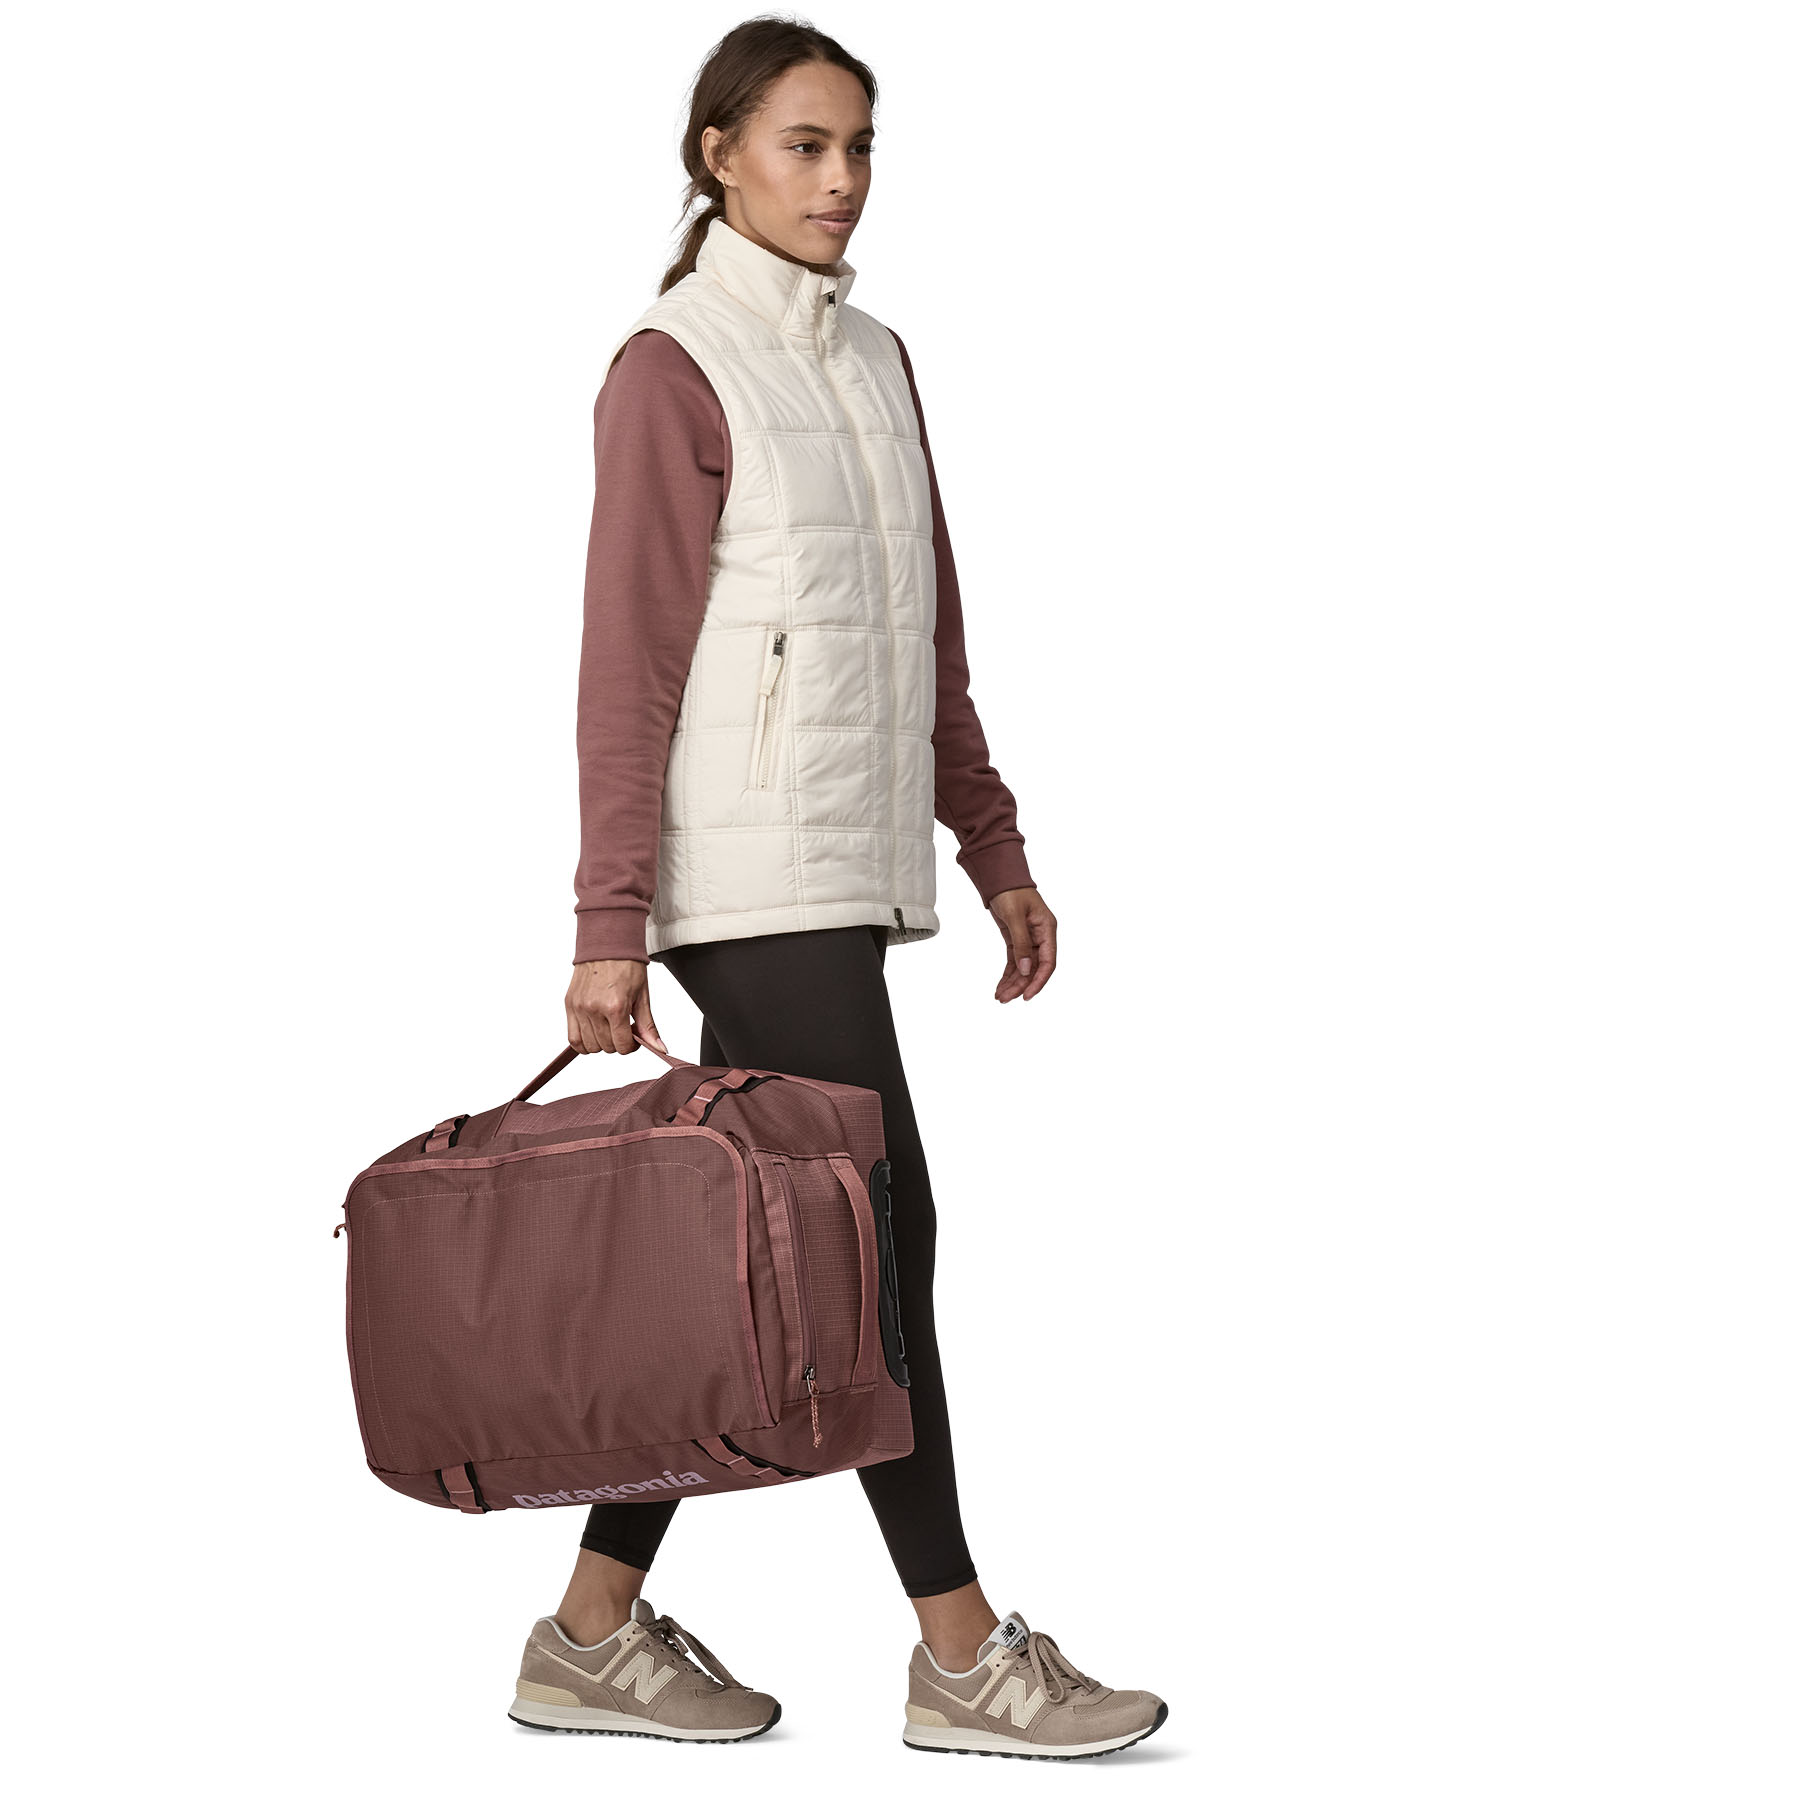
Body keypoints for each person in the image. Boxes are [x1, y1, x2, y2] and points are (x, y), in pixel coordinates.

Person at [512, 19, 1165, 1760]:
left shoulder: (875, 358)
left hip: (844, 863)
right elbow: (626, 665)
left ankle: (588, 1633)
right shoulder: (672, 364)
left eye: (861, 146)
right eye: (805, 145)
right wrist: (605, 924)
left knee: (771, 1247)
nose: (843, 179)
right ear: (717, 154)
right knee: (878, 1228)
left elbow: (928, 630)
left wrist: (993, 843)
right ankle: (961, 1655)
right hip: (740, 873)